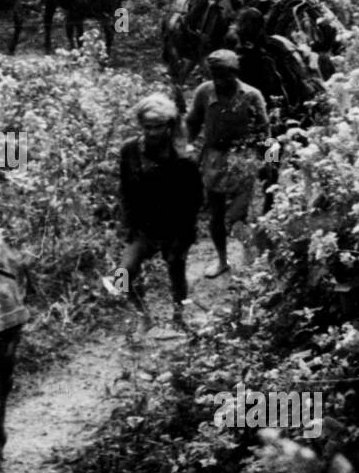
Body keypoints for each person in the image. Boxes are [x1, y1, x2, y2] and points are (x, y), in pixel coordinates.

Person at [112, 93, 203, 330]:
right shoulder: (129, 150)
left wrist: (184, 237)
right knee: (123, 274)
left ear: (169, 126)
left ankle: (179, 315)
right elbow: (125, 189)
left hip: (175, 226)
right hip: (143, 226)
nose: (152, 132)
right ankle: (143, 315)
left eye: (158, 127)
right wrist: (128, 225)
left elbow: (194, 201)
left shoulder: (184, 157)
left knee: (176, 269)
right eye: (147, 127)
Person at [185, 49, 270, 278]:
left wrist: (270, 163)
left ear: (235, 73)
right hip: (213, 159)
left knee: (236, 217)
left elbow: (264, 131)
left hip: (242, 159)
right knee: (216, 214)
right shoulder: (204, 92)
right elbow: (193, 122)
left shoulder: (251, 95)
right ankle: (222, 260)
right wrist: (185, 147)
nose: (220, 81)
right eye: (215, 75)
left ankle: (252, 260)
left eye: (225, 75)